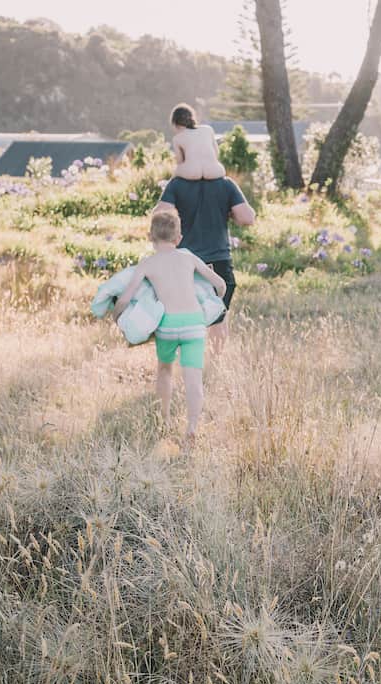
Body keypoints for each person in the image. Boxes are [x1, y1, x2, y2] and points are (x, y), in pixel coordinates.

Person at [113, 209, 226, 445]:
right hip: (194, 323)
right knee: (193, 377)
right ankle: (192, 426)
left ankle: (164, 418)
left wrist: (117, 317)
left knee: (165, 370)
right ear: (179, 237)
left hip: (167, 325)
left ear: (150, 237)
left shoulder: (147, 264)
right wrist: (213, 302)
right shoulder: (188, 257)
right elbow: (220, 284)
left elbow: (125, 298)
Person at [154, 158, 256, 351]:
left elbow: (159, 215)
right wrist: (227, 212)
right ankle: (215, 363)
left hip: (183, 262)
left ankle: (183, 359)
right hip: (218, 261)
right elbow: (247, 217)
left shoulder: (177, 184)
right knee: (217, 315)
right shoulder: (226, 184)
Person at [170, 103, 226, 181]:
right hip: (216, 172)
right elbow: (216, 153)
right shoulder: (208, 129)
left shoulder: (177, 139)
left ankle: (166, 185)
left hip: (193, 173)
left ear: (175, 122)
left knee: (177, 170)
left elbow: (180, 162)